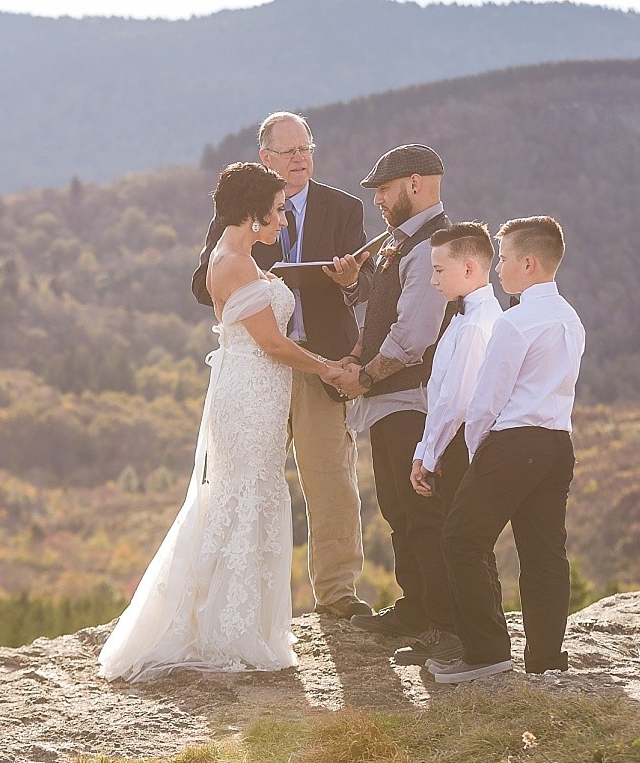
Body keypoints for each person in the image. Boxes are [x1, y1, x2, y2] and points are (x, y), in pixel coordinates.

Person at [101, 162, 346, 682]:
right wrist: (327, 366)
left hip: (257, 390)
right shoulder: (234, 262)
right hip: (251, 392)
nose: (284, 220)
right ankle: (229, 629)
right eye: (278, 211)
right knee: (246, 492)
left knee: (247, 492)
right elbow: (273, 344)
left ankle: (238, 619)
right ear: (254, 213)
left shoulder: (241, 258)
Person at [189, 112, 375, 619]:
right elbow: (201, 283)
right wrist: (253, 280)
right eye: (289, 152)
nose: (301, 159)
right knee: (249, 483)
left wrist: (347, 282)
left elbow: (367, 288)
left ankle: (337, 593)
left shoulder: (343, 208)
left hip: (320, 361)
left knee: (331, 478)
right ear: (265, 159)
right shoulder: (242, 211)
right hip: (259, 373)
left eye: (306, 149)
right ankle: (229, 599)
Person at [429, 216, 585, 684]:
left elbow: (486, 403)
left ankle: (485, 652)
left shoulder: (516, 322)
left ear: (530, 263)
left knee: (461, 539)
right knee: (544, 552)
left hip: (514, 444)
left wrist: (479, 453)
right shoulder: (571, 319)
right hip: (558, 443)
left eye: (508, 260)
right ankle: (545, 657)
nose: (499, 270)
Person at [325, 144, 450, 639]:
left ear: (415, 184)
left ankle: (438, 621)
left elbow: (413, 337)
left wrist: (364, 376)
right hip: (389, 401)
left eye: (384, 189)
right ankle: (417, 607)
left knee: (421, 513)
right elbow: (382, 310)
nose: (377, 199)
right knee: (400, 511)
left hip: (410, 401)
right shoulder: (400, 242)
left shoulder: (430, 247)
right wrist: (355, 290)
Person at [387, 222, 503, 669]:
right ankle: (464, 632)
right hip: (447, 442)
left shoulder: (476, 326)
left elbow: (455, 401)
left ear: (470, 268)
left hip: (458, 447)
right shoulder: (465, 317)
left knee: (457, 541)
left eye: (439, 271)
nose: (433, 280)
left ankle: (461, 635)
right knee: (457, 540)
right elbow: (441, 391)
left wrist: (427, 454)